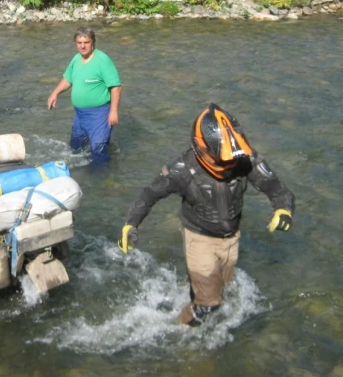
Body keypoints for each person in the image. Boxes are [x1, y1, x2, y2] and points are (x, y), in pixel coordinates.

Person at [118, 103, 295, 326]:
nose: (229, 164)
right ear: (202, 149)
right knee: (209, 303)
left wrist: (283, 209)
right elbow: (149, 194)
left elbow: (277, 188)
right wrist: (130, 224)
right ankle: (179, 330)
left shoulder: (244, 158)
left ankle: (195, 296)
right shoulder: (181, 169)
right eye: (223, 160)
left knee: (225, 287)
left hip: (231, 238)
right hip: (199, 238)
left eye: (232, 159)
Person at [47, 27, 122, 162]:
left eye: (86, 42)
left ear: (93, 42)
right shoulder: (76, 59)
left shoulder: (102, 61)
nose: (83, 46)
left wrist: (114, 111)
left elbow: (115, 87)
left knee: (98, 152)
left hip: (99, 115)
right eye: (79, 42)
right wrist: (55, 93)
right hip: (80, 115)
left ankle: (103, 179)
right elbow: (67, 79)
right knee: (75, 149)